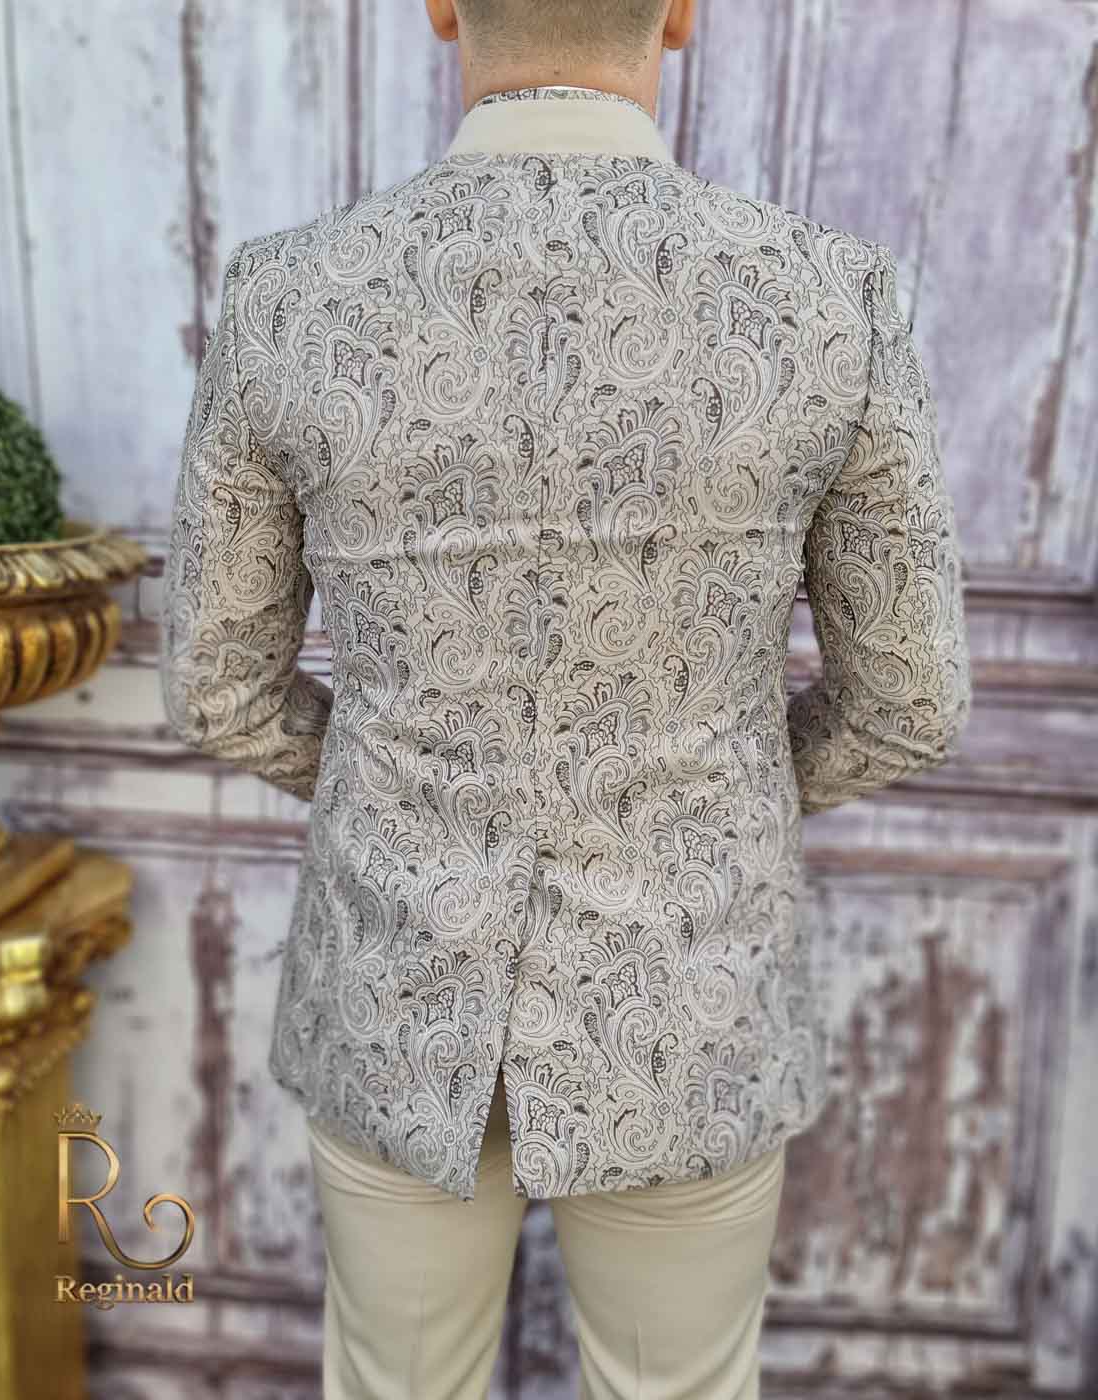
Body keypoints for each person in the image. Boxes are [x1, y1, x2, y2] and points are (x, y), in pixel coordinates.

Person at [159, 0, 972, 1394]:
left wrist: (400, 787)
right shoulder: (824, 298)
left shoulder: (293, 297)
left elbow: (219, 688)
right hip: (691, 994)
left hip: (395, 977)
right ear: (680, 14)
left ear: (441, 6)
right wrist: (717, 794)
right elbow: (908, 699)